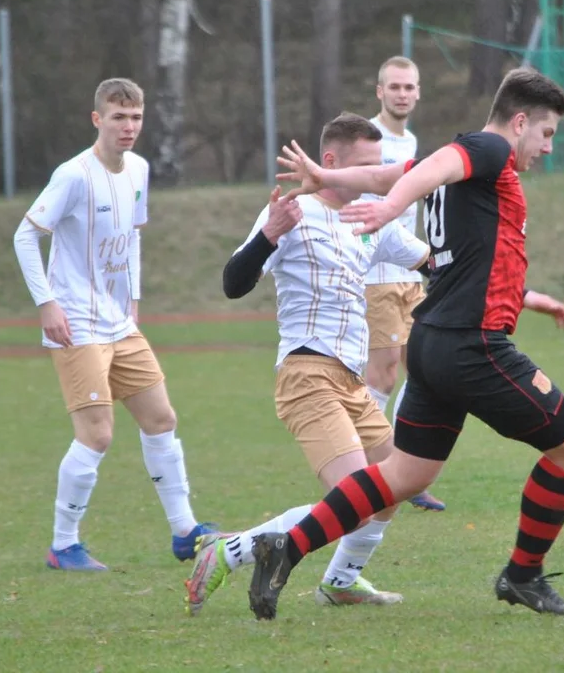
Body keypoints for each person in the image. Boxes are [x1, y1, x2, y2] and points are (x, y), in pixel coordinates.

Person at [246, 67, 564, 620]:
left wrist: (330, 177)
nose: (548, 148)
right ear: (521, 121)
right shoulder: (487, 148)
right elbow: (422, 172)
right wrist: (388, 210)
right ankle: (523, 575)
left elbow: (393, 175)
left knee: (405, 477)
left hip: (431, 340)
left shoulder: (473, 167)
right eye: (547, 134)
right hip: (472, 345)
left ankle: (285, 548)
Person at [183, 113, 430, 615]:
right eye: (364, 166)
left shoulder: (370, 217)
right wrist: (268, 236)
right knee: (353, 500)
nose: (370, 177)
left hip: (352, 382)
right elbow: (234, 282)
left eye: (378, 167)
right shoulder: (293, 210)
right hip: (306, 375)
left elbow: (430, 261)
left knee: (396, 485)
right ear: (330, 162)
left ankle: (340, 581)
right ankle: (230, 551)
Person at [12, 78, 215, 571]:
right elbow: (25, 235)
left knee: (161, 418)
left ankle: (185, 531)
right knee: (97, 434)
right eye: (118, 117)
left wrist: (134, 298)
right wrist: (47, 303)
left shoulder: (140, 169)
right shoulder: (74, 175)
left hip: (119, 321)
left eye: (136, 117)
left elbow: (132, 238)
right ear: (97, 119)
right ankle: (63, 545)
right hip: (76, 322)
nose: (128, 127)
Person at [361, 56, 445, 513]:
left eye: (409, 87)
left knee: (424, 371)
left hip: (410, 274)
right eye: (394, 87)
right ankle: (370, 473)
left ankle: (406, 472)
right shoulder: (369, 140)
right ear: (379, 91)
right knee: (383, 373)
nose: (402, 94)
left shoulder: (411, 141)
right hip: (376, 276)